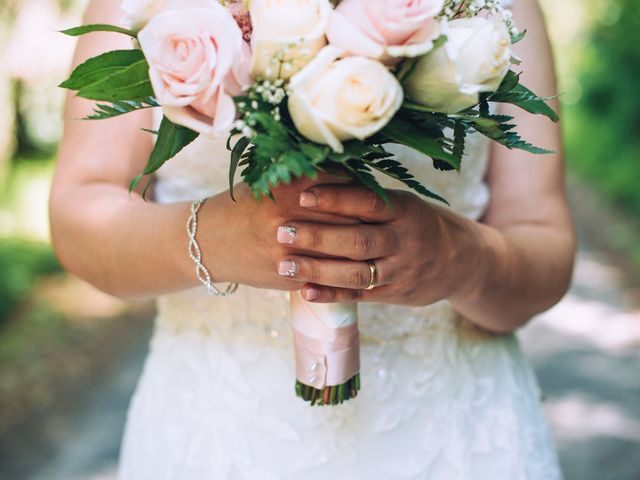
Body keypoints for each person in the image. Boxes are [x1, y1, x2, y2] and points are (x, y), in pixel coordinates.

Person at [50, 0, 575, 478]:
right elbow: (79, 218)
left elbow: (544, 243)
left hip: (458, 434)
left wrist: (460, 258)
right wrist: (210, 238)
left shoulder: (495, 11)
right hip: (216, 430)